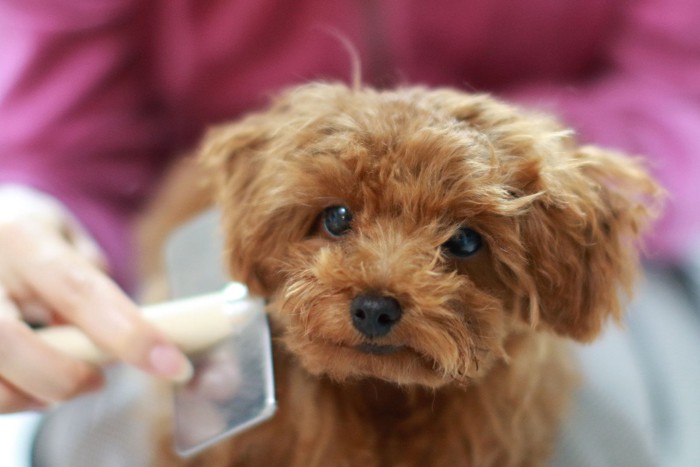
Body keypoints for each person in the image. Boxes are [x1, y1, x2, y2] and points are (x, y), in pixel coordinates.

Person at [0, 0, 698, 432]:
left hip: (583, 230)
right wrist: (30, 213)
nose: (379, 294)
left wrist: (503, 162)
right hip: (209, 235)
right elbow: (62, 140)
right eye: (342, 220)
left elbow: (681, 88)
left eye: (452, 240)